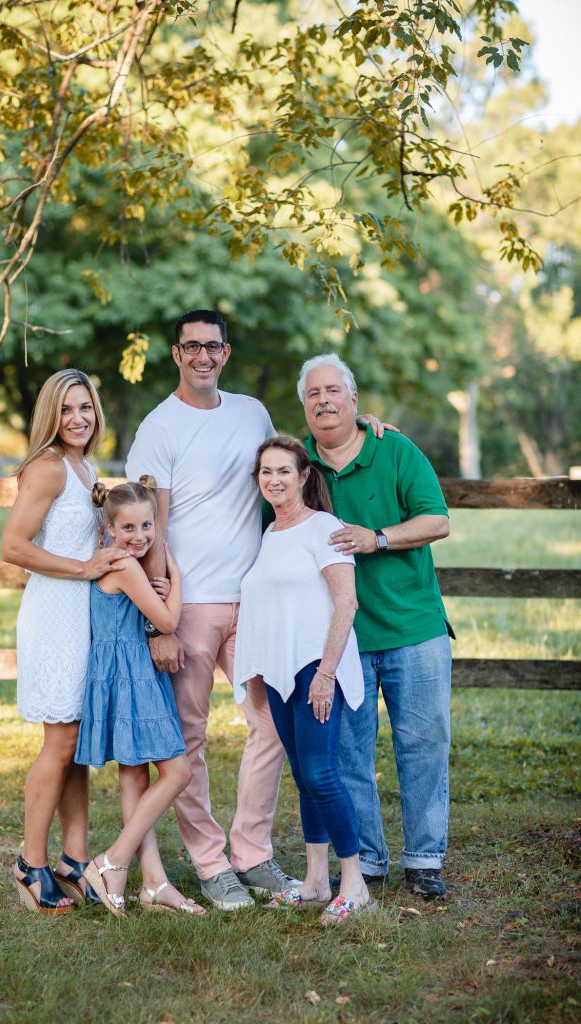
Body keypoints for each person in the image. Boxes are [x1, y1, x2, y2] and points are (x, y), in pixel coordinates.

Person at [125, 310, 389, 910]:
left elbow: (295, 454)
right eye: (191, 346)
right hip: (188, 606)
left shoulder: (252, 414)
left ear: (225, 352)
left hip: (256, 604)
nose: (202, 356)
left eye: (212, 347)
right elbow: (150, 527)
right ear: (175, 354)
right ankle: (212, 863)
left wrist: (362, 425)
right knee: (189, 739)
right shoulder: (157, 428)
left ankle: (252, 850)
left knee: (273, 726)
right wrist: (156, 617)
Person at [299, 353, 453, 899]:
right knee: (348, 752)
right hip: (344, 638)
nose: (324, 400)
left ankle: (425, 858)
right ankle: (366, 860)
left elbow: (438, 520)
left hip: (414, 627)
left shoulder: (395, 449)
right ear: (305, 406)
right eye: (313, 393)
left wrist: (378, 537)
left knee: (425, 744)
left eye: (333, 390)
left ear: (354, 400)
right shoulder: (299, 468)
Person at [234, 436, 377, 926]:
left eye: (284, 471)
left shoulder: (324, 528)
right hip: (278, 672)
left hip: (317, 669)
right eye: (265, 472)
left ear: (303, 476)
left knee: (321, 774)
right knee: (303, 776)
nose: (274, 480)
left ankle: (354, 885)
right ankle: (315, 882)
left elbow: (347, 603)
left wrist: (326, 672)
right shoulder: (270, 534)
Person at [2, 369, 129, 914]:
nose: (78, 419)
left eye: (87, 408)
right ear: (50, 415)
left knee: (76, 742)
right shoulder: (49, 467)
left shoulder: (83, 466)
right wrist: (82, 567)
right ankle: (30, 864)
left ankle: (73, 860)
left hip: (82, 614)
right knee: (61, 741)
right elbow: (13, 546)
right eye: (67, 409)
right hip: (55, 613)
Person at [75, 479, 206, 916]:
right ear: (109, 528)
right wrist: (177, 579)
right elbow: (167, 622)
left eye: (147, 526)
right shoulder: (128, 568)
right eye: (127, 527)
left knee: (134, 776)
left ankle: (154, 884)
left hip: (122, 674)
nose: (139, 536)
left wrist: (156, 591)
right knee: (178, 772)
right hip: (132, 677)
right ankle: (112, 860)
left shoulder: (116, 563)